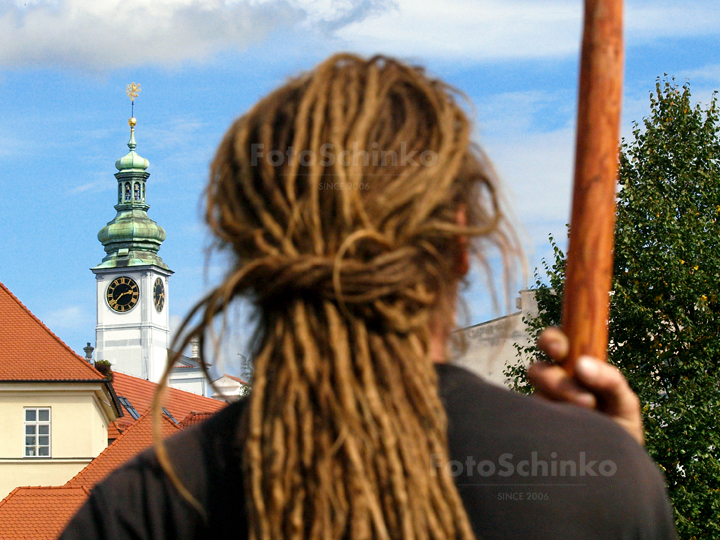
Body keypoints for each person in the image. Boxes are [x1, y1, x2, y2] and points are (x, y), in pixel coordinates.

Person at [60, 54, 676, 540]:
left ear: (247, 251)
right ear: (461, 242)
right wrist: (617, 475)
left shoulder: (145, 505)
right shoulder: (589, 483)